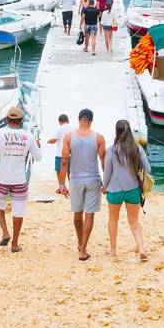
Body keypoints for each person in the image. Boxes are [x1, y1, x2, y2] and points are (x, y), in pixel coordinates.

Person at [0, 107, 40, 253]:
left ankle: (5, 232)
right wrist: (37, 145)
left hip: (1, 179)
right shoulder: (28, 136)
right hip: (20, 180)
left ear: (7, 119)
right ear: (21, 120)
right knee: (19, 211)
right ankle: (15, 244)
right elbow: (38, 157)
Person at [57, 108, 105, 261]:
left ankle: (80, 243)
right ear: (91, 120)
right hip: (93, 180)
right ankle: (83, 249)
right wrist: (107, 182)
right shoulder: (99, 138)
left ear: (79, 120)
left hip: (76, 180)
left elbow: (64, 161)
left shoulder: (69, 137)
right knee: (89, 214)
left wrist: (62, 184)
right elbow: (104, 162)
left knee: (77, 213)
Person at [103, 119, 150, 261]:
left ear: (116, 132)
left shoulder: (111, 150)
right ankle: (141, 249)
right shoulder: (137, 148)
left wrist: (104, 186)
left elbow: (107, 173)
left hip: (115, 190)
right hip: (133, 189)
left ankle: (113, 250)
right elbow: (148, 169)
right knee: (134, 222)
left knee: (113, 220)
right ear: (129, 132)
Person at [47, 113, 73, 179]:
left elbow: (54, 140)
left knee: (59, 170)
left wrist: (49, 141)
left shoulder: (59, 129)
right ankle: (71, 184)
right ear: (68, 120)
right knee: (70, 172)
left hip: (60, 154)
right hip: (71, 154)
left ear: (60, 121)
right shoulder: (73, 129)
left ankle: (61, 184)